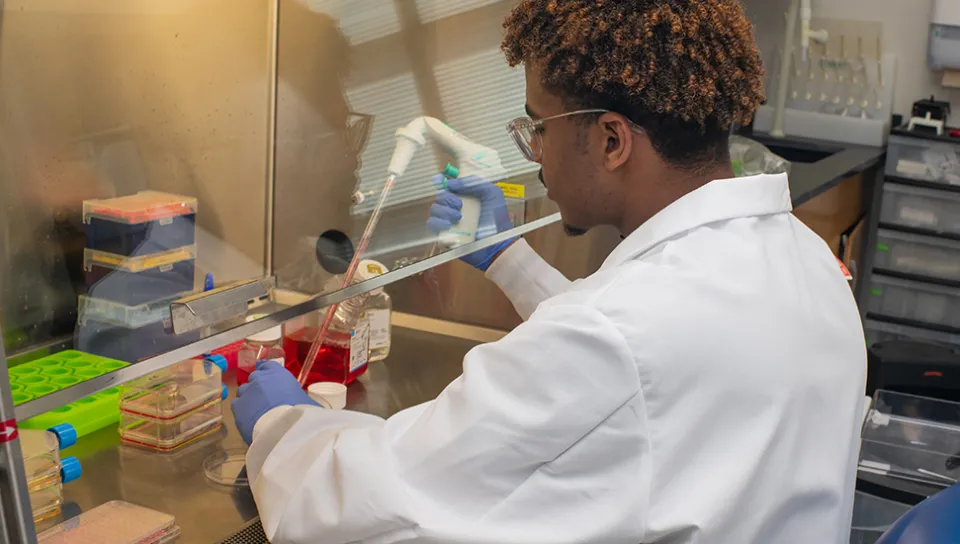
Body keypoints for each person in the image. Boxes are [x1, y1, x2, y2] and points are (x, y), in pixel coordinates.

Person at [232, 1, 867, 542]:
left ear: (612, 141)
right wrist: (508, 259)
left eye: (539, 126)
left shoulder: (617, 337)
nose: (536, 155)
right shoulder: (805, 259)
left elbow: (380, 503)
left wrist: (283, 429)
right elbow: (646, 374)